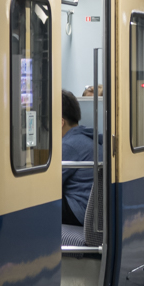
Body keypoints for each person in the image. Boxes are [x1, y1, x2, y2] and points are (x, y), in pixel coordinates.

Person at [61, 90, 95, 226]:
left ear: (60, 122)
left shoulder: (69, 145)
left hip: (78, 210)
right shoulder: (86, 137)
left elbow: (48, 184)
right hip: (90, 211)